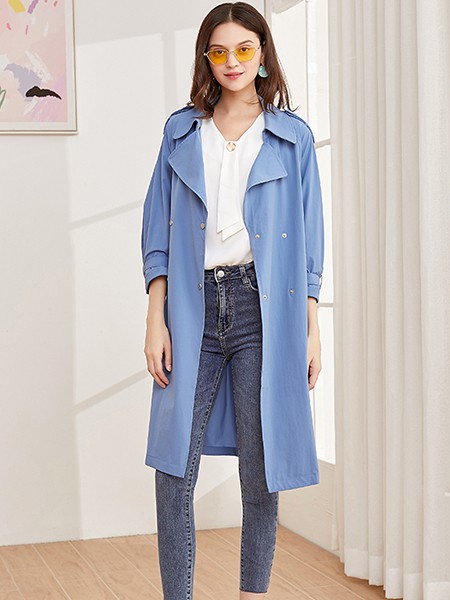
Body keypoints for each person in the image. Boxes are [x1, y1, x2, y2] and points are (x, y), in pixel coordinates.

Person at [141, 2, 324, 598]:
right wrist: (156, 319)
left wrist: (311, 329)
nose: (232, 62)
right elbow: (158, 229)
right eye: (218, 51)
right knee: (174, 469)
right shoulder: (181, 131)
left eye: (244, 49)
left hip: (261, 311)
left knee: (261, 472)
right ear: (206, 58)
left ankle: (252, 594)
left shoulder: (292, 137)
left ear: (262, 53)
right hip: (190, 309)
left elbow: (309, 240)